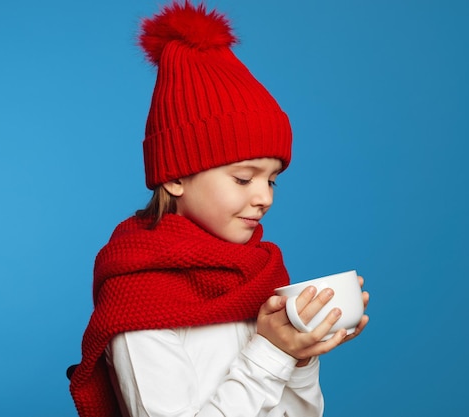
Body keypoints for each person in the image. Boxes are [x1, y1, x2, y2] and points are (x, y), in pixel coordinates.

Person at [69, 1, 370, 416]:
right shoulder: (139, 299)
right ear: (175, 176)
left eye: (272, 179)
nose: (264, 197)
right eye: (244, 179)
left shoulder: (257, 278)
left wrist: (299, 356)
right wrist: (272, 353)